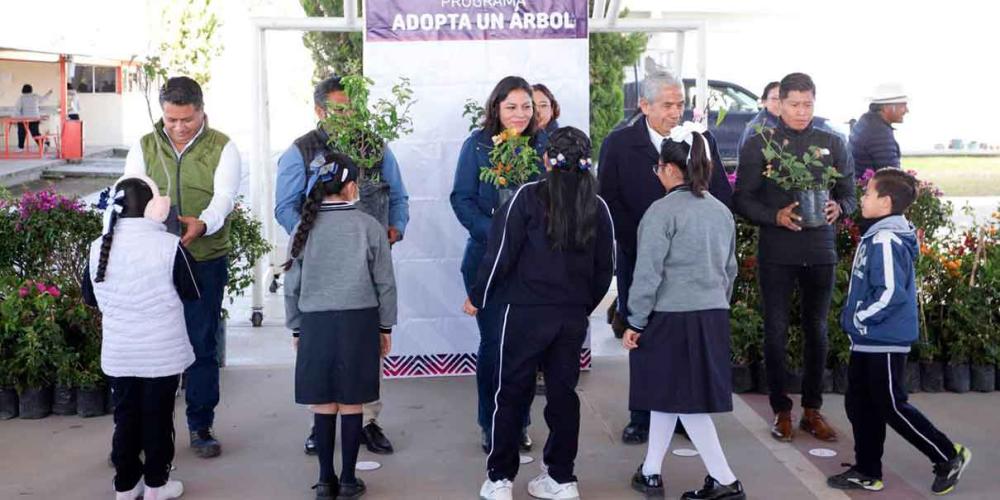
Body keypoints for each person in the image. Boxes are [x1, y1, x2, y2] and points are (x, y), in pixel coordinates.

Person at [466, 126, 614, 500]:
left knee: (510, 393)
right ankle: (562, 480)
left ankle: (500, 480)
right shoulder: (598, 205)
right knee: (563, 396)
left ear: (546, 159)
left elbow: (499, 255)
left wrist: (478, 296)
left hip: (522, 314)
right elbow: (604, 270)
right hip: (570, 318)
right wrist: (580, 306)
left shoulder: (525, 197)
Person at [275, 75, 409, 456]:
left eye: (353, 108)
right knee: (320, 348)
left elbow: (398, 194)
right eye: (338, 109)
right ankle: (322, 425)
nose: (347, 115)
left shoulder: (376, 146)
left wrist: (395, 228)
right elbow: (285, 206)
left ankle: (366, 420)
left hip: (367, 259)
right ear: (319, 110)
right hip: (321, 265)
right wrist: (316, 237)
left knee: (364, 345)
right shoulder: (299, 152)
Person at [597, 70, 733, 445]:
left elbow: (720, 192)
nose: (676, 112)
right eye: (667, 105)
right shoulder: (620, 143)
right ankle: (642, 414)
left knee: (684, 339)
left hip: (690, 265)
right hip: (638, 257)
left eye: (680, 104)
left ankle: (683, 413)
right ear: (644, 105)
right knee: (640, 332)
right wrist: (639, 244)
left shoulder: (699, 140)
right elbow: (608, 201)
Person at [827, 169, 971, 495]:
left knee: (891, 406)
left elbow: (891, 293)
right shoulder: (878, 233)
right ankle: (867, 470)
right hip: (868, 340)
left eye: (868, 193)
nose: (862, 198)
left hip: (883, 339)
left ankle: (948, 456)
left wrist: (859, 318)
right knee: (860, 405)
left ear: (886, 202)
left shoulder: (885, 239)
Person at [624, 122, 745, 500]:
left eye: (658, 167)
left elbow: (648, 274)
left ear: (672, 170)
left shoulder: (661, 213)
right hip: (711, 314)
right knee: (668, 395)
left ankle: (725, 480)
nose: (657, 173)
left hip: (671, 317)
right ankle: (650, 471)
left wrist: (635, 320)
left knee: (685, 402)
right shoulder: (720, 212)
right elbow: (730, 270)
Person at [734, 72, 856, 443]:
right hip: (778, 250)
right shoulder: (761, 143)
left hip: (821, 249)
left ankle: (813, 410)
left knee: (817, 331)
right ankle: (781, 410)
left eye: (808, 104)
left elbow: (851, 194)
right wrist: (775, 216)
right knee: (775, 330)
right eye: (794, 104)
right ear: (778, 103)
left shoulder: (833, 142)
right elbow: (742, 198)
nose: (802, 111)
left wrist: (840, 208)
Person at [124, 76, 241, 459]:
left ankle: (200, 424)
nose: (177, 127)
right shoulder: (144, 146)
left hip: (203, 260)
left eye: (186, 120)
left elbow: (224, 197)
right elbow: (128, 194)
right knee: (150, 345)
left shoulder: (222, 147)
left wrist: (202, 223)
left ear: (201, 111)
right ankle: (145, 431)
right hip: (153, 263)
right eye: (171, 120)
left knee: (201, 343)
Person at [284, 154, 397, 500]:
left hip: (315, 324)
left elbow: (292, 287)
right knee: (352, 404)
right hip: (359, 323)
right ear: (351, 188)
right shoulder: (369, 227)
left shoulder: (302, 231)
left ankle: (324, 480)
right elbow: (386, 284)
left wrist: (296, 329)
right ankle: (348, 480)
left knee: (323, 403)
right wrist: (385, 327)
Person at [82, 175, 198, 500]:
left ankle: (125, 485)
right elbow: (192, 291)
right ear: (155, 209)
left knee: (125, 417)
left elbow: (91, 298)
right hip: (161, 353)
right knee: (158, 418)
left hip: (120, 352)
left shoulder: (96, 248)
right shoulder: (169, 247)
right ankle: (156, 485)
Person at [451, 75, 547, 454]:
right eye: (512, 107)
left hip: (533, 264)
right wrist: (498, 233)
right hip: (486, 262)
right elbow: (462, 199)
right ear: (496, 108)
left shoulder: (543, 145)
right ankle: (491, 424)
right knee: (494, 344)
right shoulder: (476, 145)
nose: (520, 114)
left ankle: (519, 421)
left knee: (523, 348)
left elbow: (557, 199)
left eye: (527, 106)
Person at [849, 83, 908, 177]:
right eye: (903, 106)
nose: (907, 110)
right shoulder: (879, 133)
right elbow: (892, 177)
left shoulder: (867, 121)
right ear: (886, 107)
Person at [14, 83, 53, 149]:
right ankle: (43, 144)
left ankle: (20, 147)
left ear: (23, 90)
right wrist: (49, 93)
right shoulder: (35, 96)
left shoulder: (21, 98)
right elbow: (43, 99)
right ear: (31, 90)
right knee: (35, 134)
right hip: (35, 118)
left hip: (24, 119)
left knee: (21, 133)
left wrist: (17, 119)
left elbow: (17, 109)